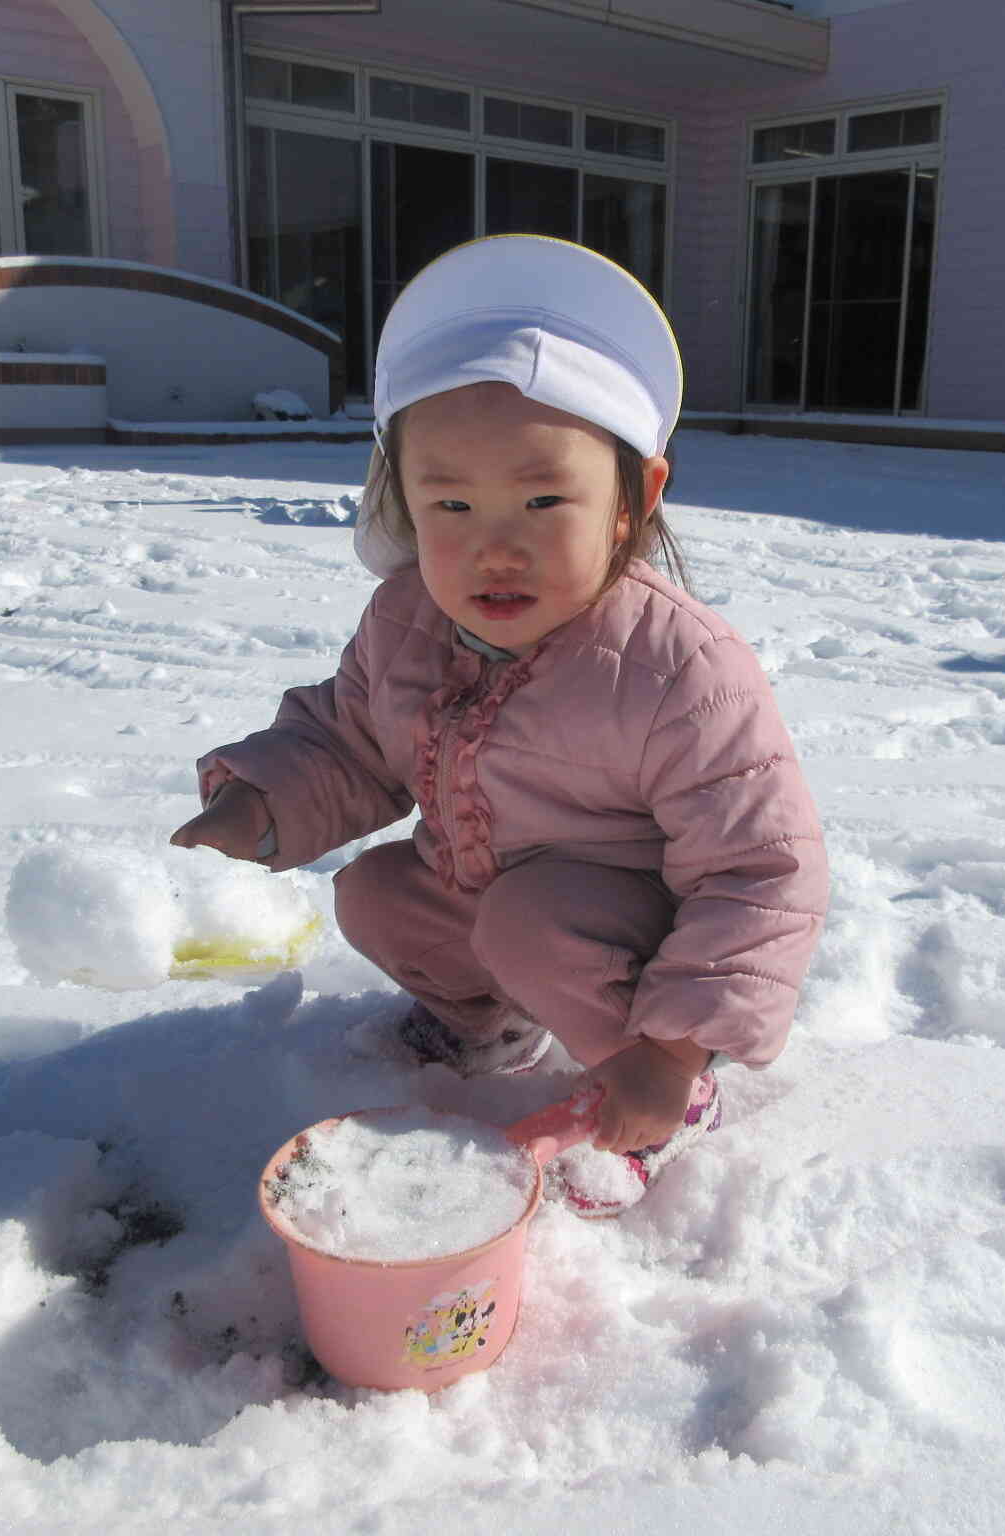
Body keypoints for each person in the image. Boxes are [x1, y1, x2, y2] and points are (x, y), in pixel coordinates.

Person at [172, 235, 827, 1215]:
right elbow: (351, 741)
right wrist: (255, 805)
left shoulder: (675, 666)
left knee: (533, 924)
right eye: (451, 502)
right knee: (380, 892)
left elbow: (759, 869)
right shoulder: (404, 622)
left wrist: (674, 1045)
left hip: (640, 934)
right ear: (403, 501)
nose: (494, 546)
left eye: (540, 499)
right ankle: (483, 1028)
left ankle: (657, 1097)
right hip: (490, 893)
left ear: (630, 500)